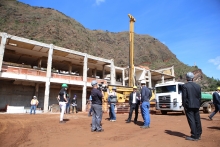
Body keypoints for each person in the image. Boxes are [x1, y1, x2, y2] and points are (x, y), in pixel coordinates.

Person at [182, 72, 202, 141]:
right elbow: (199, 97)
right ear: (193, 78)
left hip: (189, 106)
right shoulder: (198, 86)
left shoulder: (185, 86)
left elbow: (184, 97)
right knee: (197, 119)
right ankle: (199, 134)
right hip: (196, 105)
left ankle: (194, 136)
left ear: (187, 78)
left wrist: (184, 106)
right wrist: (198, 104)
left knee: (191, 120)